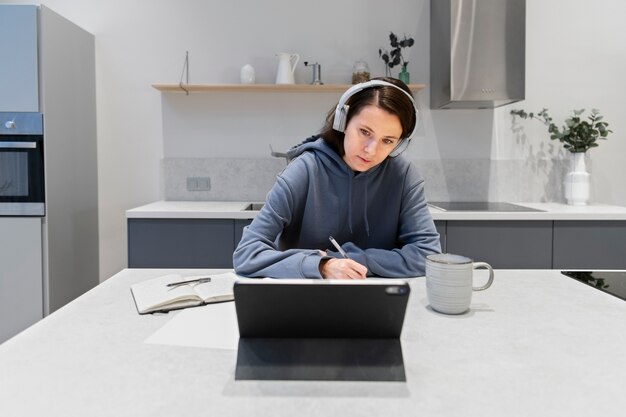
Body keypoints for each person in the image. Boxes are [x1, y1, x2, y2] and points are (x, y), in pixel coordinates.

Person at [233, 77, 441, 279]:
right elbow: (246, 254)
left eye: (387, 140)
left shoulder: (403, 176)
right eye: (364, 132)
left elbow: (428, 255)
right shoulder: (304, 170)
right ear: (343, 121)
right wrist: (321, 266)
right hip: (305, 297)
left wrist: (348, 260)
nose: (371, 150)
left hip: (376, 298)